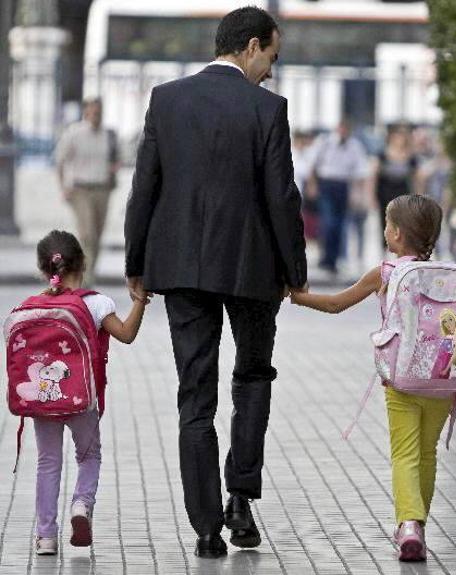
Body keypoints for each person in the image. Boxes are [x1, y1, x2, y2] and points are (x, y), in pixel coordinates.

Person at [124, 6, 307, 559]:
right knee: (253, 379)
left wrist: (138, 264)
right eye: (272, 56)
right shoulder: (267, 110)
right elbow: (282, 199)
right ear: (252, 46)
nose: (271, 71)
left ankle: (206, 529)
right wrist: (294, 273)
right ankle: (241, 501)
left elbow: (144, 186)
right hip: (253, 271)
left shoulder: (167, 99)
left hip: (180, 269)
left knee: (194, 396)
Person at [291, 195, 453, 562]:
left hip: (401, 381)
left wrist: (299, 297)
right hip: (444, 380)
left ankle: (408, 525)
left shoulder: (386, 272)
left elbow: (336, 304)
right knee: (427, 453)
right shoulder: (448, 274)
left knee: (405, 454)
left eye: (385, 225)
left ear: (395, 234)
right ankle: (416, 524)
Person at [31, 230, 150, 556]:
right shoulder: (96, 303)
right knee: (88, 456)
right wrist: (141, 300)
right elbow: (125, 334)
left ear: (44, 270)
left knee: (48, 463)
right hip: (83, 399)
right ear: (83, 263)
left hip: (44, 400)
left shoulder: (35, 307)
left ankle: (45, 536)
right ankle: (81, 506)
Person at [55, 98, 120, 287]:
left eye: (99, 112)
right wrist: (63, 187)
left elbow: (117, 158)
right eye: (93, 112)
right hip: (80, 189)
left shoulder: (109, 135)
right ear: (86, 112)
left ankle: (89, 272)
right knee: (87, 234)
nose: (96, 116)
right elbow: (60, 160)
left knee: (97, 235)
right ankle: (84, 280)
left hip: (102, 189)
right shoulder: (74, 133)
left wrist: (114, 167)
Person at [308, 120, 367, 276]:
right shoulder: (325, 142)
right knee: (329, 222)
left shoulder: (355, 146)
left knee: (340, 224)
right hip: (327, 184)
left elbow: (360, 171)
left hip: (343, 185)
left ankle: (333, 259)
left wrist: (357, 194)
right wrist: (313, 185)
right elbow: (312, 165)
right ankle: (326, 257)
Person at [370, 124, 422, 248]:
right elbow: (374, 176)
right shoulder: (382, 155)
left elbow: (417, 178)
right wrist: (372, 196)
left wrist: (419, 196)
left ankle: (400, 249)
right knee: (386, 222)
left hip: (403, 192)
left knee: (403, 223)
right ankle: (385, 248)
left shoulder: (411, 157)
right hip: (385, 192)